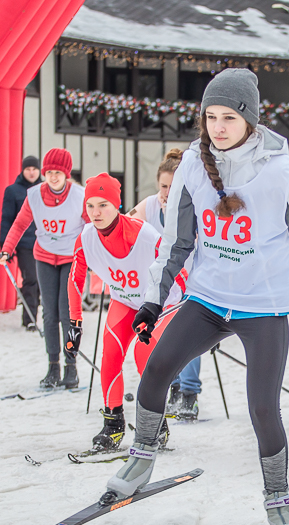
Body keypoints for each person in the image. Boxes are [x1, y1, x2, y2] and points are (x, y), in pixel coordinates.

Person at [112, 69, 289, 525]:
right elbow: (176, 241)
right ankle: (142, 457)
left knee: (262, 408)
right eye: (210, 116)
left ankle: (279, 500)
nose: (218, 126)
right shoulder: (192, 163)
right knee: (156, 370)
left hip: (263, 308)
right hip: (208, 300)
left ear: (250, 119)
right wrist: (153, 299)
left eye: (229, 117)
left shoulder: (283, 174)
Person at [66, 173, 183, 453]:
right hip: (126, 301)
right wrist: (75, 321)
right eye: (90, 205)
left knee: (145, 358)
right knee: (110, 356)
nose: (95, 213)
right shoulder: (86, 238)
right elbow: (75, 277)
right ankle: (113, 425)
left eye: (103, 205)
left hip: (160, 304)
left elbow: (177, 270)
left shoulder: (144, 236)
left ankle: (156, 426)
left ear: (116, 205)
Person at [0, 148, 88, 389]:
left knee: (68, 312)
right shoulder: (35, 194)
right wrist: (7, 249)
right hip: (45, 256)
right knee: (49, 313)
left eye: (58, 172)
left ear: (66, 174)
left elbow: (91, 226)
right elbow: (19, 224)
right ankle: (53, 366)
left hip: (72, 257)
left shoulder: (79, 195)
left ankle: (71, 367)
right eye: (49, 172)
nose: (53, 177)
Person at [128, 148, 203, 420]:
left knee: (189, 336)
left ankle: (190, 393)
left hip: (192, 279)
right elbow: (126, 223)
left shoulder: (192, 203)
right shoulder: (150, 205)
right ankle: (172, 388)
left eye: (174, 186)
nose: (168, 191)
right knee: (161, 336)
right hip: (164, 283)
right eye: (163, 185)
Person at [0, 156, 42, 330]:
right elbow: (7, 220)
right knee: (30, 279)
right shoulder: (13, 191)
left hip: (45, 244)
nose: (31, 172)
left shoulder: (45, 190)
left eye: (34, 169)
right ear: (23, 171)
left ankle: (46, 317)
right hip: (25, 244)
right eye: (28, 169)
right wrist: (5, 246)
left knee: (41, 282)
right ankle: (29, 319)